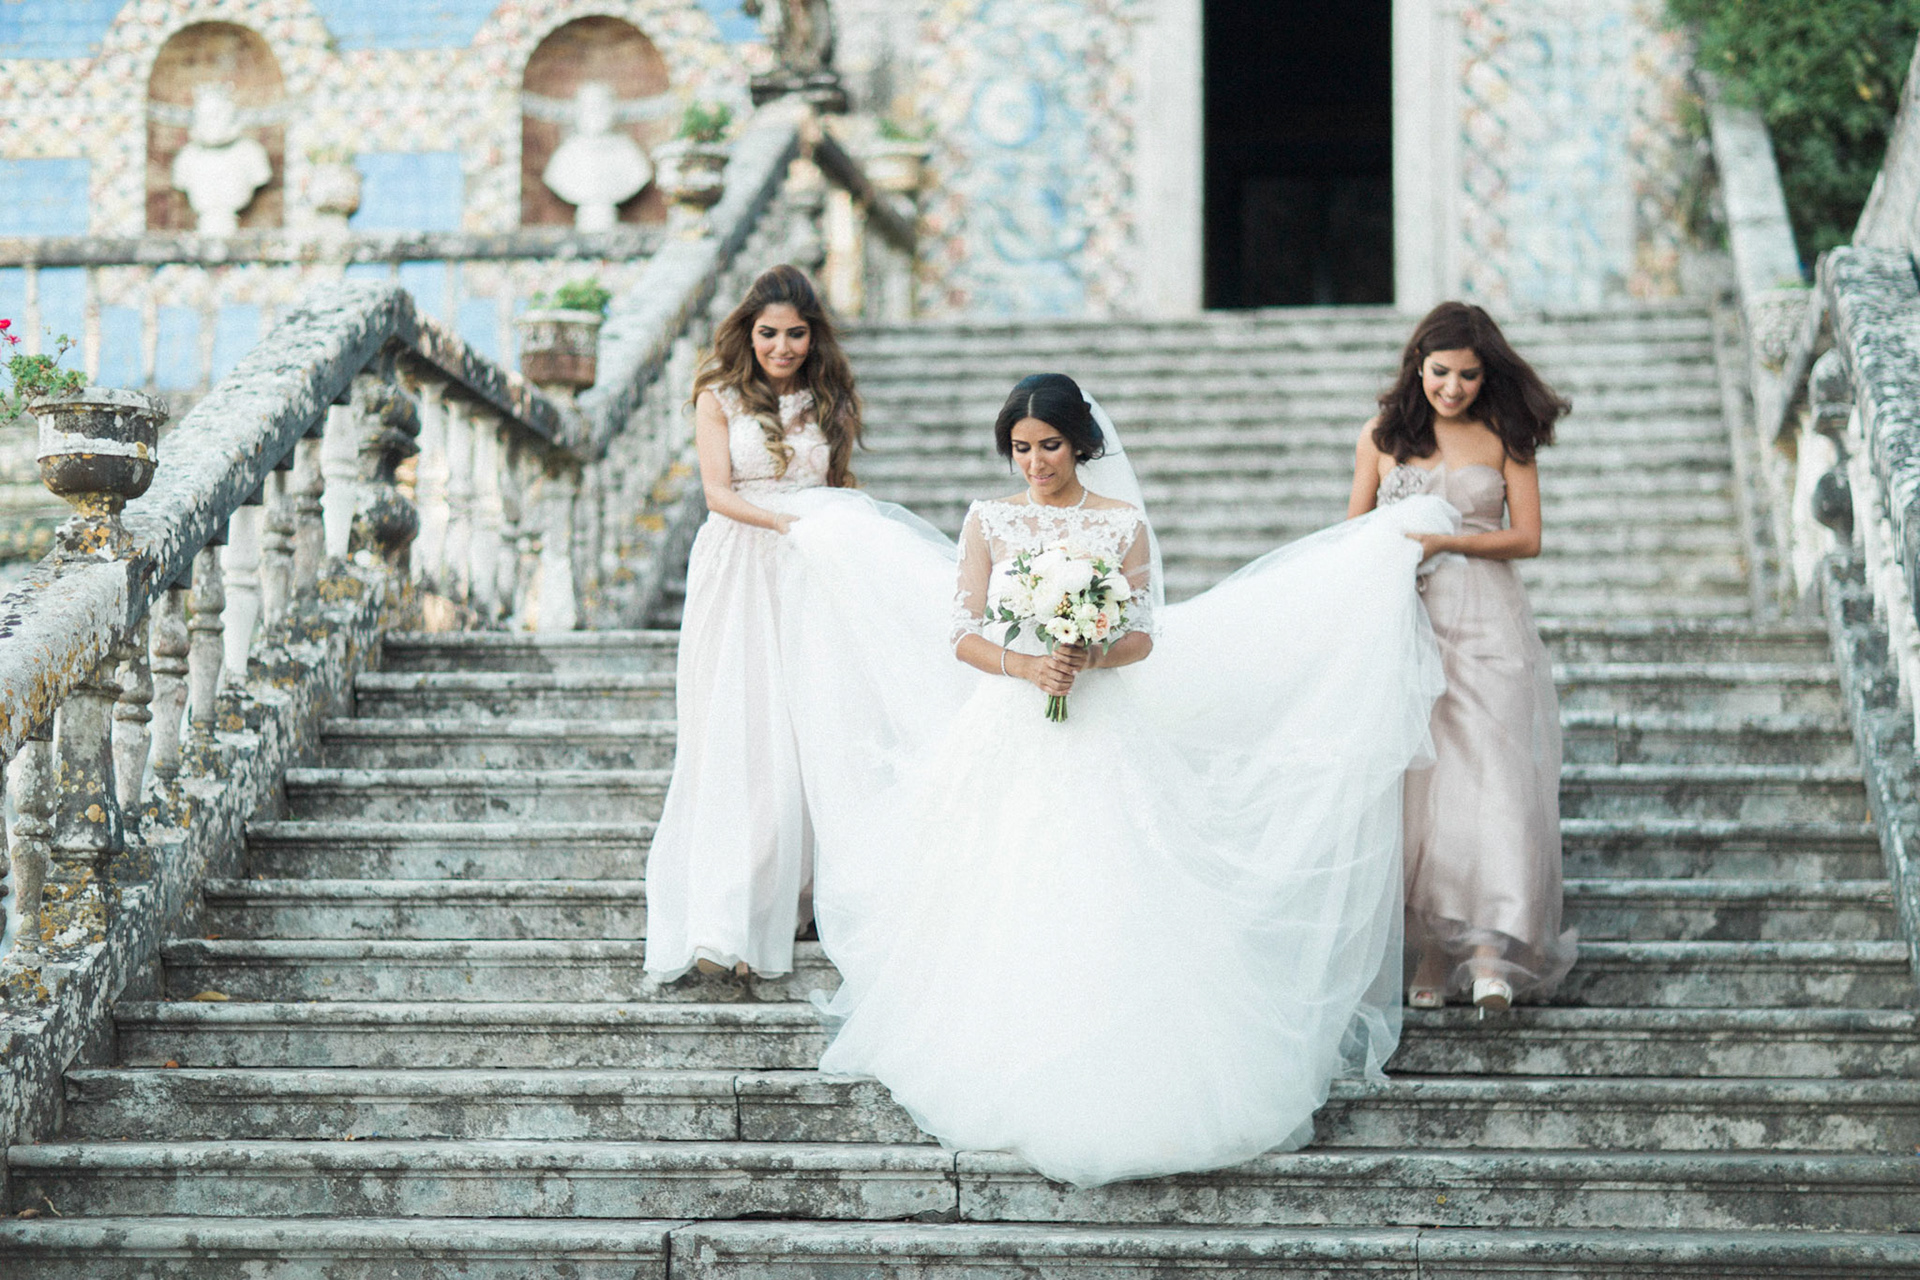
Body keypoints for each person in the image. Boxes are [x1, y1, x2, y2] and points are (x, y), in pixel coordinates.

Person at [774, 373, 1459, 1186]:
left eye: (1050, 447)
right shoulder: (989, 520)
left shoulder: (1120, 523)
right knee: (1008, 881)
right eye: (1021, 449)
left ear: (1081, 445)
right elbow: (961, 632)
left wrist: (1089, 651)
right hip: (1011, 724)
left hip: (1102, 724)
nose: (1036, 463)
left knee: (1112, 876)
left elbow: (1142, 634)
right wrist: (1029, 665)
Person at [1348, 301, 1578, 1012]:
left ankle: (1488, 953)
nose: (1453, 388)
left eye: (1468, 375)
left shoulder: (1508, 434)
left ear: (1487, 375)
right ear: (1418, 366)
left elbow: (1527, 537)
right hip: (1408, 620)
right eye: (1441, 372)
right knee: (1422, 783)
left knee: (1493, 777)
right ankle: (1431, 945)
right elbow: (1351, 534)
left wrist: (1448, 541)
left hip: (1487, 621)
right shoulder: (1381, 436)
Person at [641, 264, 861, 982]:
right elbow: (717, 493)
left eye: (796, 334)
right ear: (749, 331)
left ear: (813, 336)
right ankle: (728, 911)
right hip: (740, 567)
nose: (782, 347)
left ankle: (801, 894)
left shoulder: (829, 399)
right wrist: (783, 523)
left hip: (808, 570)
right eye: (769, 333)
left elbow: (839, 487)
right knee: (739, 729)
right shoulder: (719, 396)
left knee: (807, 728)